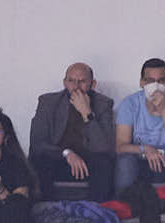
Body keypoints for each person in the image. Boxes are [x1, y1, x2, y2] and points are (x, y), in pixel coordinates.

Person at [114, 58, 165, 211]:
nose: (156, 86)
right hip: (140, 164)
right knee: (125, 161)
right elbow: (120, 146)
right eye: (150, 81)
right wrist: (145, 149)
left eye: (161, 81)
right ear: (141, 83)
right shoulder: (129, 104)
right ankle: (123, 212)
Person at [29, 62, 116, 201]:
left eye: (82, 81)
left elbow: (104, 148)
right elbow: (37, 142)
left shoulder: (103, 104)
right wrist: (67, 153)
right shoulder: (48, 102)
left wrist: (86, 113)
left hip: (88, 162)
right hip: (57, 157)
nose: (76, 86)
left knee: (104, 163)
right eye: (71, 81)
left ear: (92, 84)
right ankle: (47, 214)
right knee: (39, 160)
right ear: (64, 83)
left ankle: (95, 214)